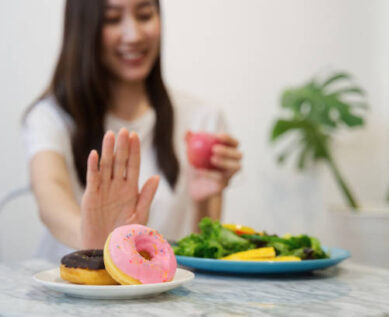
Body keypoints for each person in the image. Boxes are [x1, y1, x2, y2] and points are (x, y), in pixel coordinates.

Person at [23, 0, 242, 262]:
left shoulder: (202, 118)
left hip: (158, 297)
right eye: (113, 19)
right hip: (71, 294)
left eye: (145, 15)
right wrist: (92, 238)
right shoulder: (51, 116)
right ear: (83, 29)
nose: (134, 35)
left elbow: (202, 255)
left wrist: (205, 199)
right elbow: (51, 194)